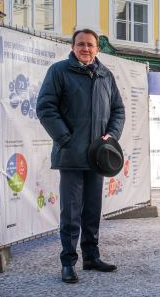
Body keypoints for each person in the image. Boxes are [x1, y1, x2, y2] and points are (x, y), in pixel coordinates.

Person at [37, 28, 125, 283]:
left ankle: (91, 256)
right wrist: (65, 138)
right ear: (73, 47)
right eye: (81, 44)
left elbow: (118, 110)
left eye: (90, 45)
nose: (86, 48)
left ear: (97, 48)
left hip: (99, 157)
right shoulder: (59, 71)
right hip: (71, 155)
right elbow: (45, 107)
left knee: (93, 210)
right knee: (71, 212)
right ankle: (68, 262)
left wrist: (111, 136)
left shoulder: (105, 74)